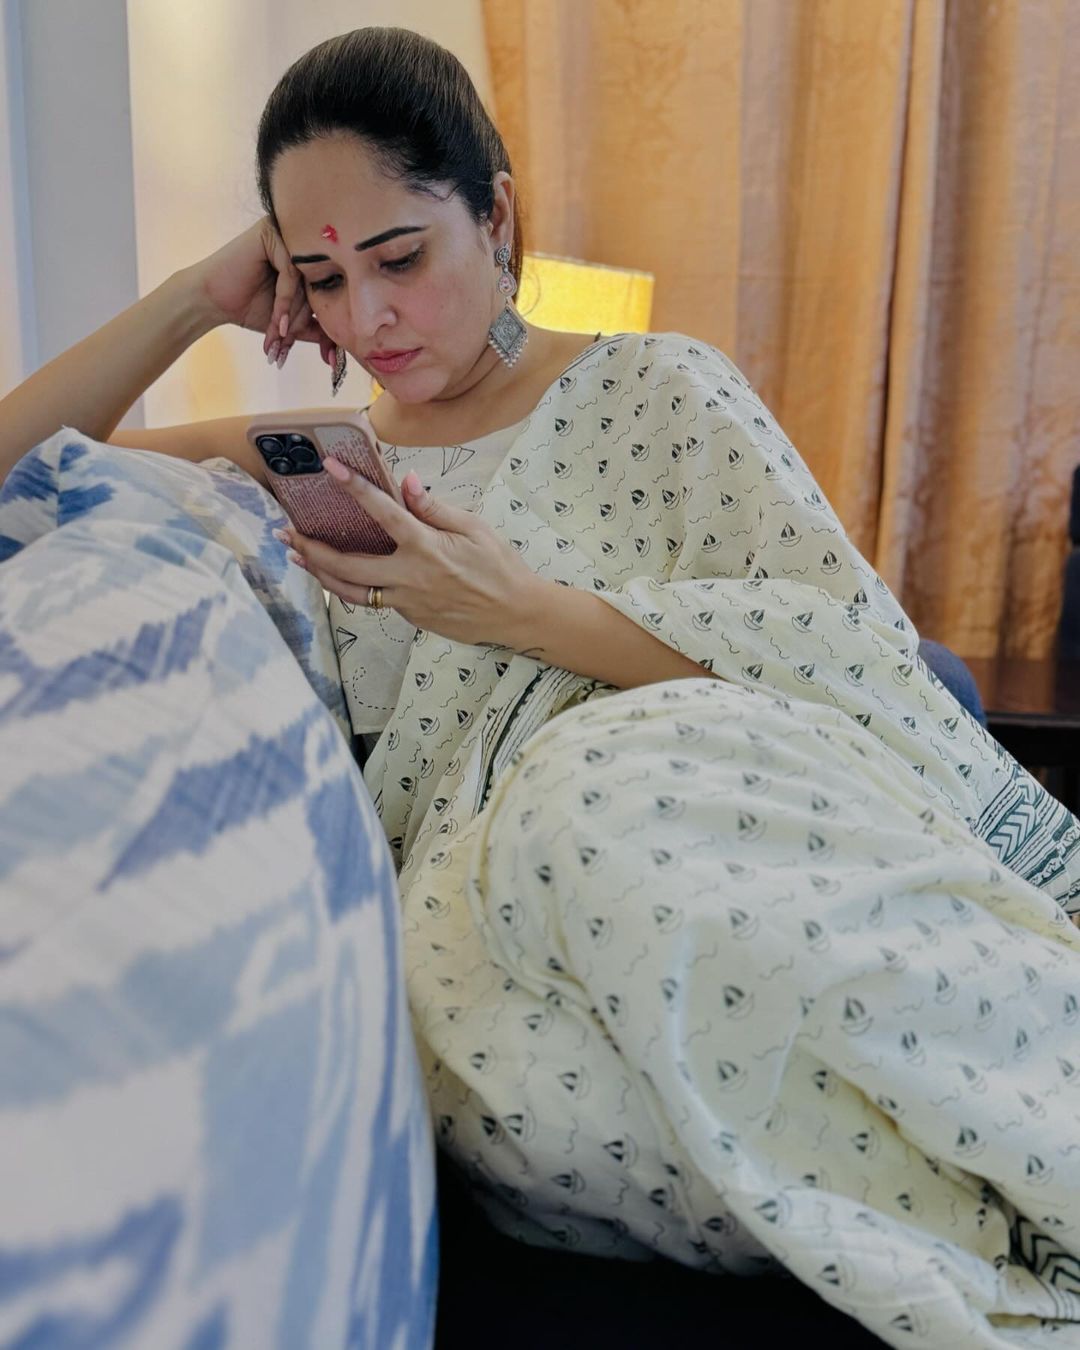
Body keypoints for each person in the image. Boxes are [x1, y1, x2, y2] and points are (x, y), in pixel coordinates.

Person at [2, 25, 1080, 1348]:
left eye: (401, 258)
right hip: (504, 947)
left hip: (709, 824)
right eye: (323, 278)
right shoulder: (322, 458)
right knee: (557, 946)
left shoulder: (660, 385)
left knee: (603, 801)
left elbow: (844, 651)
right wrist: (188, 298)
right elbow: (19, 472)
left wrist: (514, 611)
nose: (367, 318)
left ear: (497, 217)